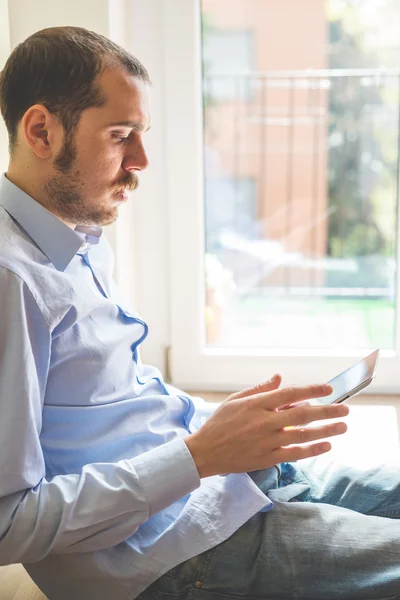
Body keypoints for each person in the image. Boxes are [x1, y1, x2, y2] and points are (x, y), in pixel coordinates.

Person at [0, 26, 399, 600]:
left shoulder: (79, 236)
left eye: (143, 133)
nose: (141, 160)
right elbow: (10, 522)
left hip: (217, 482)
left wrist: (223, 426)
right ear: (41, 130)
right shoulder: (12, 281)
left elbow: (111, 406)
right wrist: (199, 455)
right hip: (172, 552)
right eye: (121, 135)